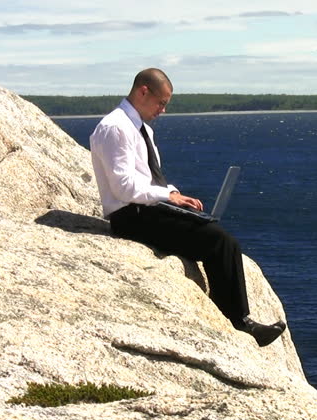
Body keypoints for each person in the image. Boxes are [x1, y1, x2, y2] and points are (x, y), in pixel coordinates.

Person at [89, 68, 286, 347]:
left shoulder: (139, 127)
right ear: (143, 91)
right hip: (130, 216)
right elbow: (123, 187)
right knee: (219, 241)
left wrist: (172, 193)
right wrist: (168, 198)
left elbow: (145, 178)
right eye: (161, 102)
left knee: (211, 229)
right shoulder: (115, 128)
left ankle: (234, 315)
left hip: (145, 209)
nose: (163, 110)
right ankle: (240, 322)